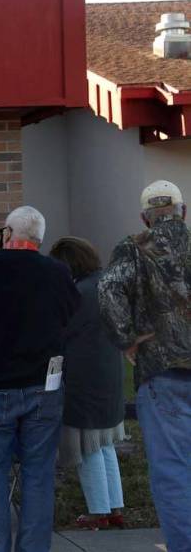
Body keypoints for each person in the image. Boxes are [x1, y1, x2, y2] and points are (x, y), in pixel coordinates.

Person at [0, 206, 80, 552]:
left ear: (8, 233)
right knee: (39, 474)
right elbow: (71, 320)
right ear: (38, 238)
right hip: (44, 386)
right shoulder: (58, 272)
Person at [98, 180, 191, 552]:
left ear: (145, 218)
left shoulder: (134, 248)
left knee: (174, 475)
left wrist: (127, 339)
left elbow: (107, 291)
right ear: (183, 212)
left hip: (162, 374)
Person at [49, 237, 126, 530]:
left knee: (87, 448)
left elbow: (60, 334)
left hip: (84, 380)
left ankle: (98, 512)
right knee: (105, 446)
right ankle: (115, 507)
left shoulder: (79, 293)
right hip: (109, 375)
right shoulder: (107, 284)